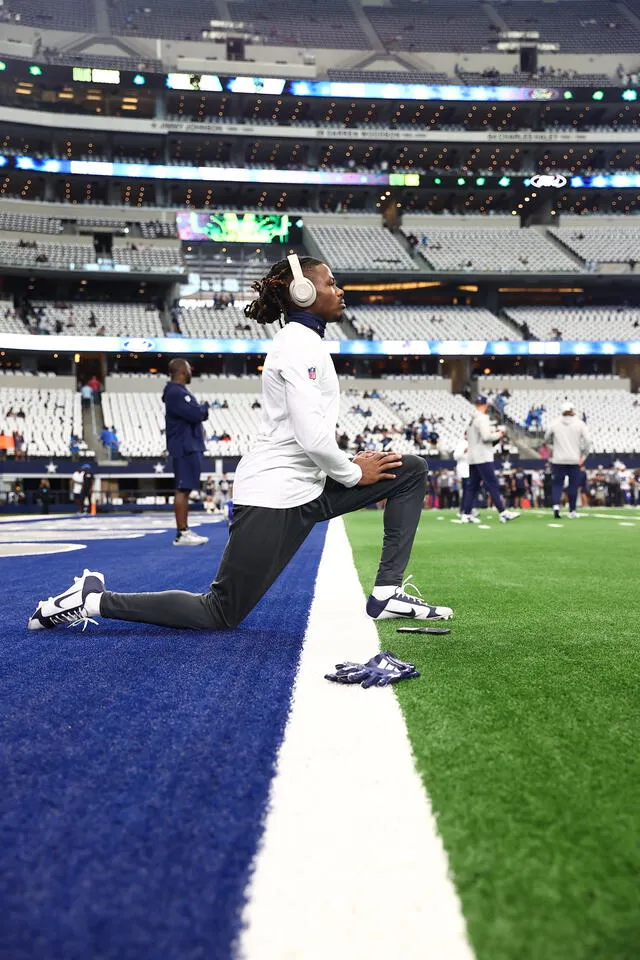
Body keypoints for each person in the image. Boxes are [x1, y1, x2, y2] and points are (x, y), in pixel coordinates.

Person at [28, 255, 453, 632]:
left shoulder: (307, 342)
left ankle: (387, 592)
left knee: (408, 470)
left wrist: (348, 468)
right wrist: (352, 471)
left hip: (307, 486)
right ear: (302, 292)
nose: (340, 291)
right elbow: (310, 435)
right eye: (331, 283)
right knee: (219, 612)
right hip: (276, 496)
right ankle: (91, 600)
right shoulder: (299, 345)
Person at [163, 358, 210, 546]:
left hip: (188, 445)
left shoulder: (179, 392)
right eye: (189, 369)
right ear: (182, 371)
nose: (191, 372)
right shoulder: (175, 392)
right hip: (184, 446)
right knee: (183, 488)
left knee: (186, 488)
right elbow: (197, 414)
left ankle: (184, 530)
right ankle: (182, 532)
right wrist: (204, 407)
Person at [460, 396, 520, 524]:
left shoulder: (471, 418)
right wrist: (499, 434)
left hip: (473, 456)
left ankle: (466, 514)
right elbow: (486, 437)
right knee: (492, 483)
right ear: (485, 405)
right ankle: (503, 512)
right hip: (482, 456)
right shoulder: (482, 418)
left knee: (472, 486)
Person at [544, 400, 591, 520]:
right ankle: (572, 510)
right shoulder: (580, 424)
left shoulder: (555, 423)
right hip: (574, 459)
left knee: (557, 484)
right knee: (573, 486)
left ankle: (556, 506)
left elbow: (546, 437)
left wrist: (553, 446)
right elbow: (587, 441)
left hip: (558, 459)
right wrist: (584, 456)